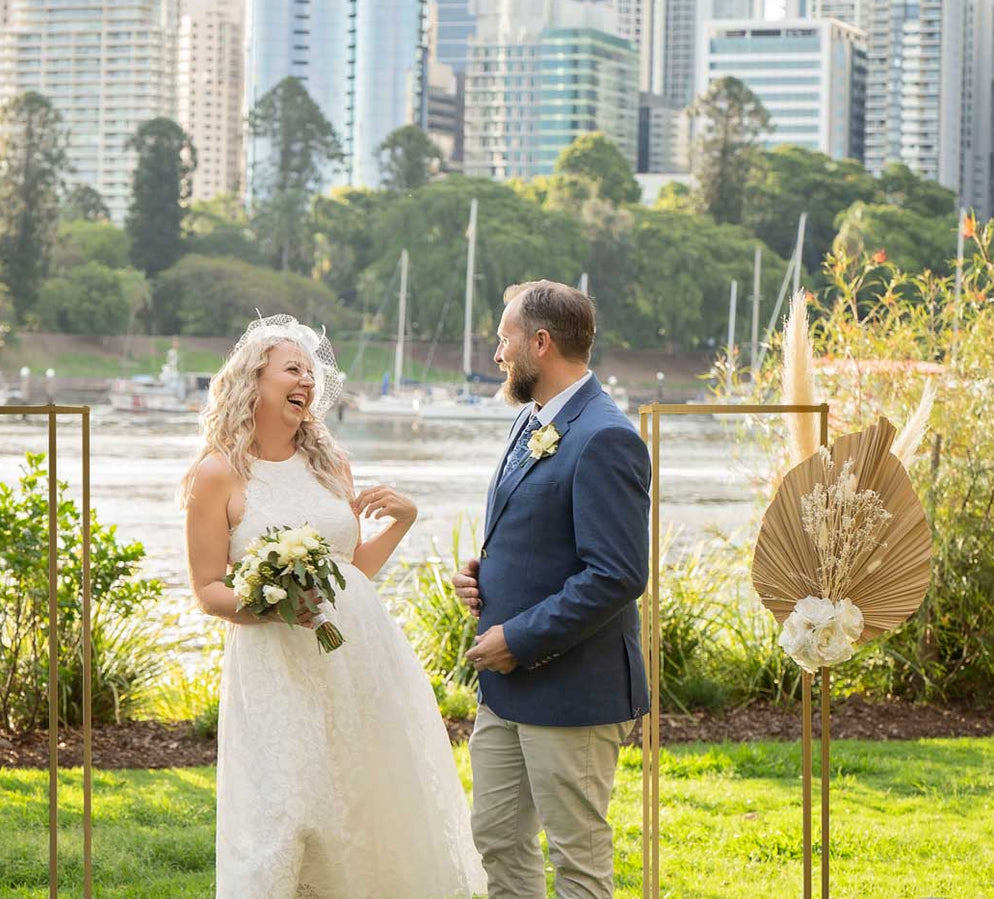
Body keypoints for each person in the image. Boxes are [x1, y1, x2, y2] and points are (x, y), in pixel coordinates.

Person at [181, 314, 484, 899]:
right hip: (275, 668)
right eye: (292, 369)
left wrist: (404, 520)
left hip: (359, 654)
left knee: (360, 803)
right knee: (288, 813)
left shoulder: (330, 464)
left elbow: (351, 573)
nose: (307, 381)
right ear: (254, 381)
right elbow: (208, 589)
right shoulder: (217, 475)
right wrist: (272, 607)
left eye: (311, 372)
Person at [452, 281, 651, 899]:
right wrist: (487, 575)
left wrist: (518, 636)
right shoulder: (531, 420)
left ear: (540, 343)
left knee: (577, 862)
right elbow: (539, 533)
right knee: (498, 842)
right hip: (507, 689)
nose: (497, 354)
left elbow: (617, 573)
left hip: (572, 693)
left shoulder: (604, 436)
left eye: (505, 338)